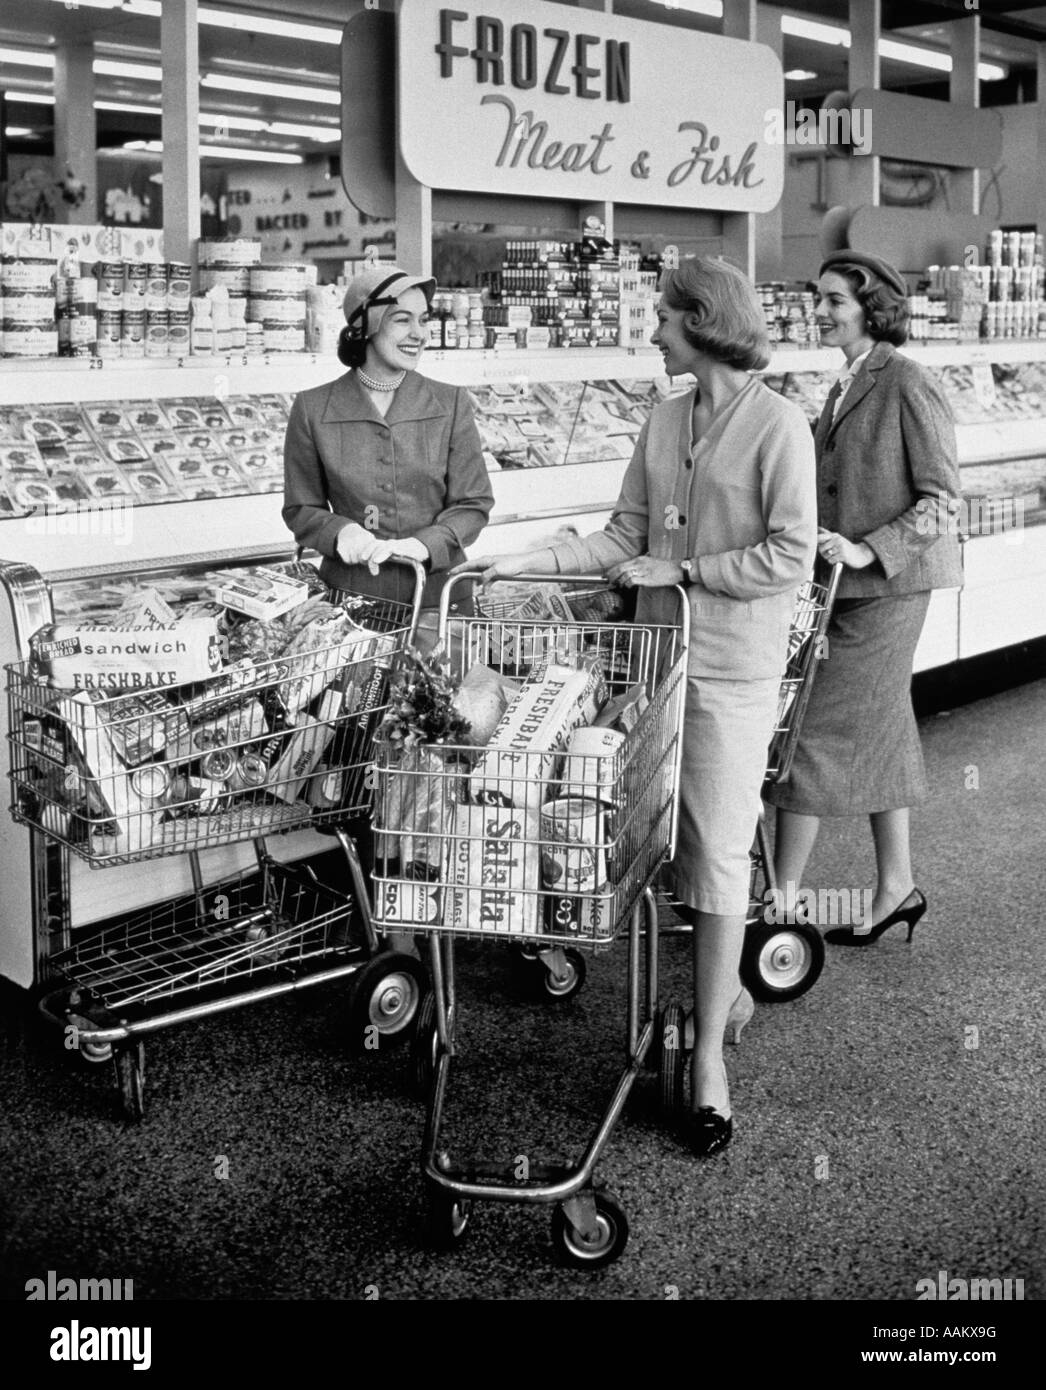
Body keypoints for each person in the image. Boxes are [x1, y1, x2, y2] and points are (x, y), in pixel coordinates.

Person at [458, 257, 817, 1156]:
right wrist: (524, 564)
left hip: (732, 670)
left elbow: (791, 555)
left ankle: (707, 1066)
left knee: (719, 847)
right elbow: (622, 535)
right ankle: (714, 990)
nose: (652, 333)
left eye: (662, 317)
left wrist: (686, 569)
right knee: (654, 846)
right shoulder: (663, 421)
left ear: (701, 321)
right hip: (656, 665)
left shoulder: (780, 428)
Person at [765, 251, 963, 946]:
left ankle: (780, 902)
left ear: (872, 306)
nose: (819, 310)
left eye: (833, 300)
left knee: (811, 731)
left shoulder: (906, 380)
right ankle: (895, 886)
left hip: (890, 587)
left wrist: (865, 549)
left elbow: (943, 501)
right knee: (882, 727)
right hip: (849, 589)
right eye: (817, 298)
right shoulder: (845, 381)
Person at [282, 265, 494, 649]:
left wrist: (425, 545)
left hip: (440, 601)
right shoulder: (313, 409)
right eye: (402, 320)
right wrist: (341, 532)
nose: (419, 334)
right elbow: (301, 507)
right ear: (367, 324)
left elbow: (473, 504)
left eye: (423, 320)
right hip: (350, 605)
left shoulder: (450, 403)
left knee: (440, 706)